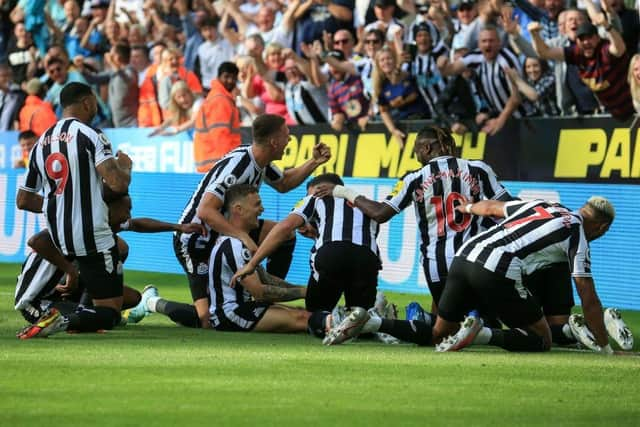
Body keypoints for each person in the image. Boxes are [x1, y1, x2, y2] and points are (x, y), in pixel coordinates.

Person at [325, 197, 619, 356]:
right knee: (541, 339)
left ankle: (371, 321)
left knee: (440, 333)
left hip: (465, 255)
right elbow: (586, 292)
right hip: (497, 267)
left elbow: (491, 208)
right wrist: (604, 346)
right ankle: (482, 334)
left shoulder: (543, 205)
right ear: (602, 227)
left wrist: (465, 207)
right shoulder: (577, 233)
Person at [316, 126, 511, 314]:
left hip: (437, 264)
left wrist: (342, 191)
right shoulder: (479, 169)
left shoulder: (414, 178)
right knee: (486, 321)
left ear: (426, 148)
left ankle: (394, 323)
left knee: (446, 324)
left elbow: (380, 213)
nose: (416, 155)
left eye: (416, 150)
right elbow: (508, 207)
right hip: (475, 258)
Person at [171, 114, 331, 328]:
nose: (290, 140)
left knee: (285, 235)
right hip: (195, 241)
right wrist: (242, 236)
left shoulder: (260, 161)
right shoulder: (239, 166)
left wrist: (314, 162)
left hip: (223, 233)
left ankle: (267, 300)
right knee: (207, 320)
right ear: (274, 142)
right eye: (286, 135)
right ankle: (153, 302)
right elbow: (205, 210)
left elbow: (283, 183)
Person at [15, 82, 132, 339]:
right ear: (87, 102)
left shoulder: (41, 142)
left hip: (61, 238)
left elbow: (23, 200)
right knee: (111, 313)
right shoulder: (92, 135)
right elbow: (118, 183)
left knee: (115, 294)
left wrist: (58, 205)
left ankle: (72, 312)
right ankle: (64, 318)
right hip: (94, 237)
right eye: (94, 104)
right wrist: (125, 166)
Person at [15, 193, 206, 332]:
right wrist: (71, 272)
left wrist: (178, 226)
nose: (128, 215)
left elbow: (137, 224)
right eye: (126, 209)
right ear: (107, 209)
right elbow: (36, 241)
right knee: (106, 315)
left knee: (132, 297)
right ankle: (80, 317)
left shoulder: (104, 223)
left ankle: (87, 313)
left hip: (60, 292)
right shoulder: (79, 225)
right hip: (35, 301)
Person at [232, 173, 381, 313]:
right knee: (361, 318)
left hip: (331, 255)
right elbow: (355, 240)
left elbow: (285, 227)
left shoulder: (315, 198)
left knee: (316, 314)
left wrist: (252, 264)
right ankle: (372, 315)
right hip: (367, 258)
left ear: (321, 189)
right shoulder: (366, 204)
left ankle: (327, 318)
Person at [529, 20, 634, 121]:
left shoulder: (604, 50)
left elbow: (619, 49)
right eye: (581, 39)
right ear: (577, 41)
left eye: (590, 38)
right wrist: (534, 34)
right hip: (612, 114)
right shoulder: (576, 53)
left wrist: (607, 26)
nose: (586, 42)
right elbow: (544, 52)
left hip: (634, 107)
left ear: (597, 38)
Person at [193, 61, 241, 173]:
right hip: (219, 165)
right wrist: (227, 164)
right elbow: (220, 135)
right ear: (218, 77)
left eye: (233, 78)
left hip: (211, 163)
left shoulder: (217, 97)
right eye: (226, 76)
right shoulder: (220, 100)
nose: (230, 81)